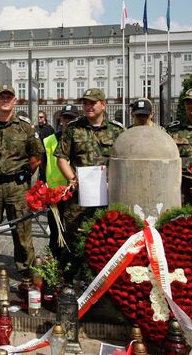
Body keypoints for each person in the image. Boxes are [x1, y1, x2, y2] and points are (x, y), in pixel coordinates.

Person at [0, 85, 42, 286]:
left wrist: (22, 175)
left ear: (15, 100)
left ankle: (27, 273)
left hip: (16, 187)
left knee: (22, 231)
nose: (5, 100)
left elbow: (36, 157)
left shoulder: (26, 127)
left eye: (8, 97)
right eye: (1, 97)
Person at [54, 88, 124, 278]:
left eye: (92, 103)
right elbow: (61, 158)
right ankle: (66, 280)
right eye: (85, 103)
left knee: (106, 239)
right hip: (79, 196)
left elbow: (125, 160)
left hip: (108, 196)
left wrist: (115, 182)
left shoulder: (117, 131)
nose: (88, 107)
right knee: (73, 238)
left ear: (104, 104)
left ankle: (99, 281)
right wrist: (73, 179)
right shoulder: (74, 128)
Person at [43, 104, 79, 258]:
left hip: (75, 190)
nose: (68, 121)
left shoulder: (80, 138)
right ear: (61, 119)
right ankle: (56, 261)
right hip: (55, 192)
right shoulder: (50, 140)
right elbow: (43, 163)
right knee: (55, 230)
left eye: (71, 118)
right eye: (65, 117)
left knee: (74, 229)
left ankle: (72, 261)